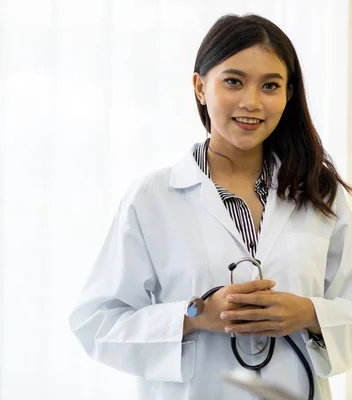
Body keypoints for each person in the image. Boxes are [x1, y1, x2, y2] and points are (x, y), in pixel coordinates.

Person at [68, 13, 352, 400]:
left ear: (288, 94)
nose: (252, 102)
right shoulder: (152, 198)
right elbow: (97, 323)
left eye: (270, 85)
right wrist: (193, 316)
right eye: (233, 81)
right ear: (200, 87)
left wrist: (309, 314)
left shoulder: (322, 194)